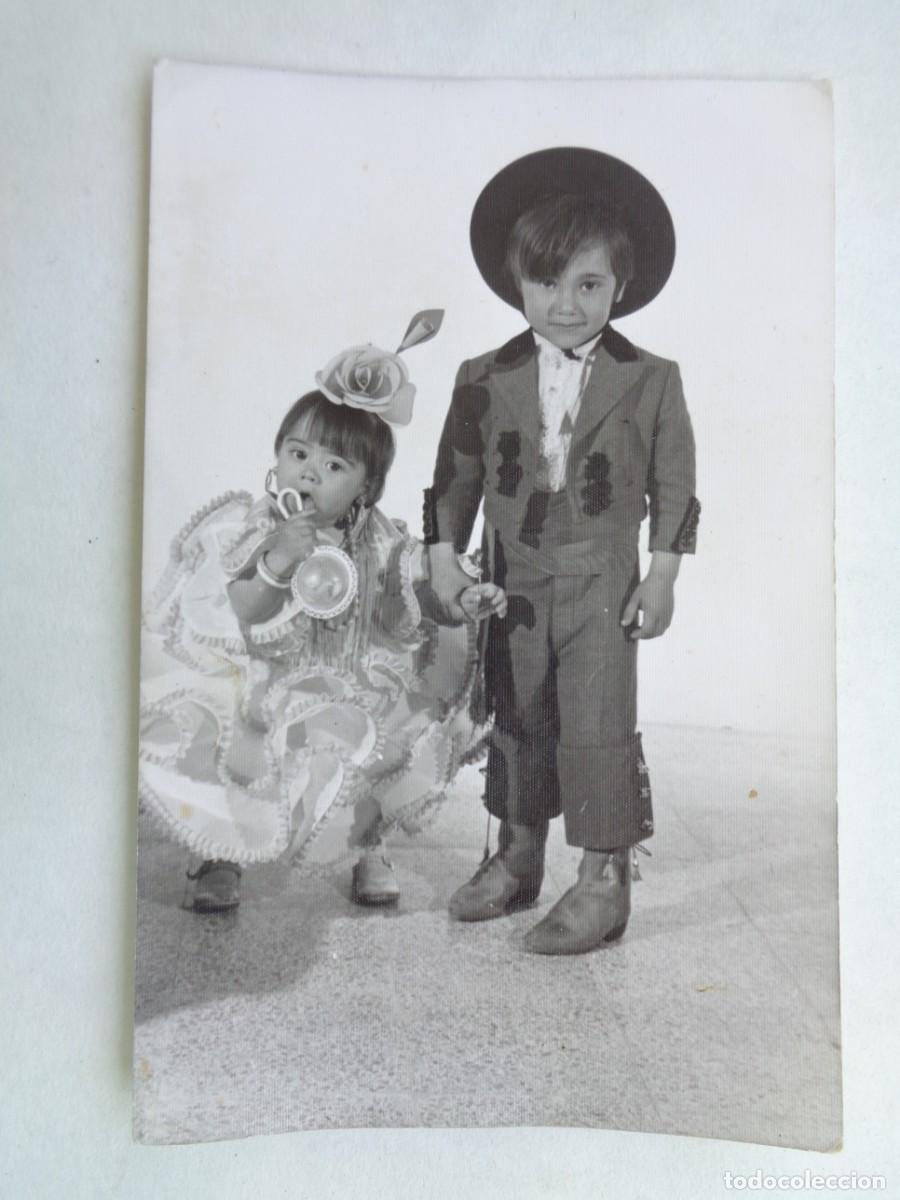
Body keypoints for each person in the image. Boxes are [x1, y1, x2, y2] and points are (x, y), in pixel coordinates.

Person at [425, 148, 700, 955]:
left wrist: (662, 574)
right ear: (517, 282)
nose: (566, 304)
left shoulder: (651, 379)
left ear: (621, 285)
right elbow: (454, 477)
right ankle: (517, 858)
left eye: (588, 285)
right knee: (518, 717)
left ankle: (604, 880)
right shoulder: (482, 376)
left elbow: (676, 483)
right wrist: (443, 558)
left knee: (596, 723)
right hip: (511, 581)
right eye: (547, 283)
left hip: (602, 580)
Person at [139, 317, 506, 913]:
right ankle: (222, 851)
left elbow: (415, 592)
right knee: (243, 749)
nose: (309, 471)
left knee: (375, 742)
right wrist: (280, 558)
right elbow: (245, 609)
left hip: (346, 676)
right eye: (298, 453)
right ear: (278, 457)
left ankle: (368, 845)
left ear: (367, 488)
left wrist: (458, 599)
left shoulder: (377, 538)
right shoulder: (258, 527)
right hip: (267, 676)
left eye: (335, 466)